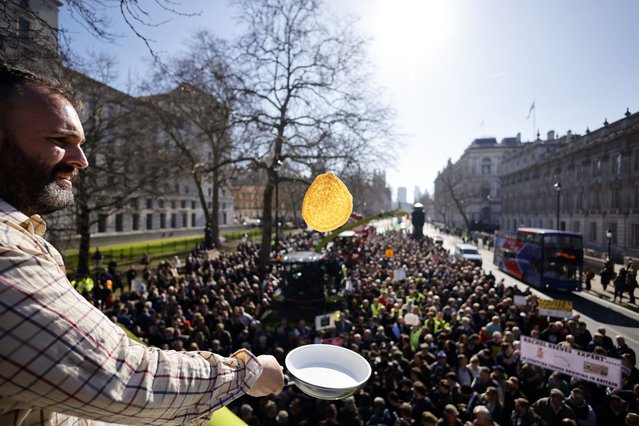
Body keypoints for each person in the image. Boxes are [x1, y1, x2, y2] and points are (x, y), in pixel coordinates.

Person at [0, 63, 284, 425]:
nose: (81, 161)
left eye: (80, 145)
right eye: (59, 141)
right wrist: (247, 373)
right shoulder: (6, 253)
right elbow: (125, 377)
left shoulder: (23, 231)